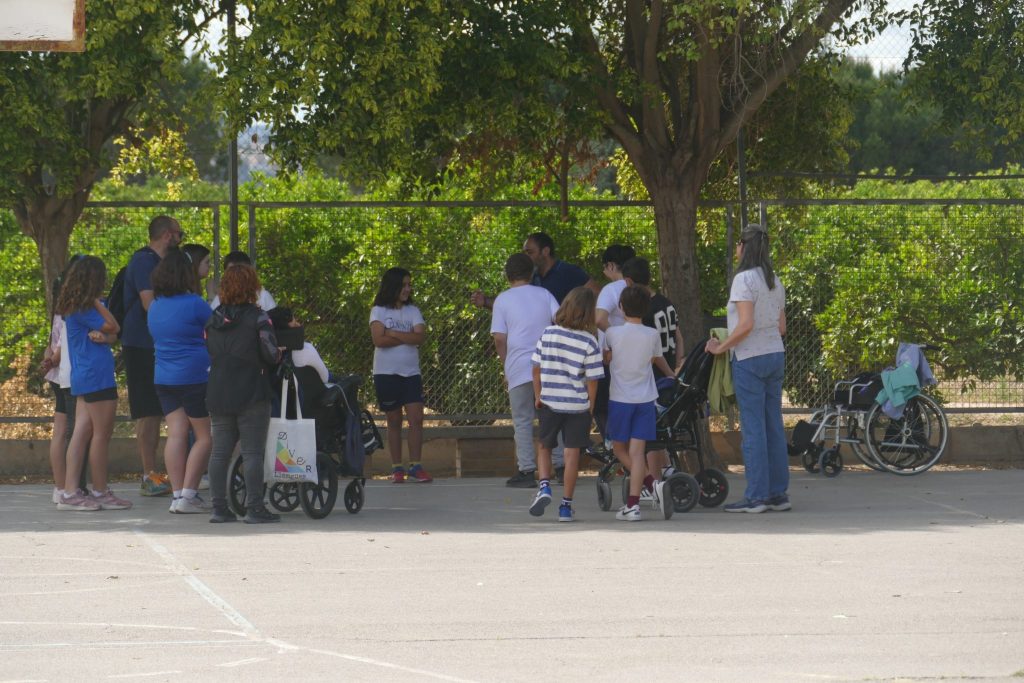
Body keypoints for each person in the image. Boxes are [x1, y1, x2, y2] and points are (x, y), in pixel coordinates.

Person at [705, 224, 789, 513]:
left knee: (753, 430)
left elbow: (745, 324)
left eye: (739, 243)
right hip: (775, 354)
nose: (737, 248)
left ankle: (756, 496)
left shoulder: (743, 279)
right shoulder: (775, 280)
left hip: (750, 357)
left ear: (744, 246)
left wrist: (721, 347)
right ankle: (778, 494)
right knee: (773, 425)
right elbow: (781, 327)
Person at [206, 264, 283, 523]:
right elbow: (270, 354)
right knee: (252, 453)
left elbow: (209, 349)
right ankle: (254, 507)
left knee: (220, 452)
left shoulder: (213, 319)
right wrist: (279, 353)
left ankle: (219, 508)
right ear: (253, 287)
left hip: (219, 388)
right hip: (252, 389)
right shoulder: (259, 318)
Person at [54, 256, 132, 511]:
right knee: (101, 435)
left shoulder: (77, 306)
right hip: (96, 377)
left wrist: (106, 336)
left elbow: (110, 335)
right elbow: (115, 325)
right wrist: (98, 302)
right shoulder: (87, 307)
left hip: (85, 376)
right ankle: (99, 490)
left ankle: (70, 491)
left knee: (82, 432)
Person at [528, 286, 604, 522]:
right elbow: (593, 379)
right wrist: (591, 405)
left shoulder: (548, 333)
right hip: (577, 406)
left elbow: (536, 369)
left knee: (545, 447)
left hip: (549, 401)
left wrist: (538, 395)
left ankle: (544, 486)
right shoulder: (590, 341)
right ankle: (565, 507)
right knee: (571, 455)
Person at [148, 250, 214, 514]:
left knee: (176, 433)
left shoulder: (155, 305)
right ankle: (189, 494)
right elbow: (217, 327)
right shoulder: (195, 303)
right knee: (204, 436)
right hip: (194, 376)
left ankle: (177, 495)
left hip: (164, 377)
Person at [604, 285, 675, 522]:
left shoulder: (612, 333)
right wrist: (670, 374)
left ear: (621, 307)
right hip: (645, 400)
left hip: (620, 400)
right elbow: (655, 359)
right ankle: (635, 502)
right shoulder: (652, 335)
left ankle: (651, 485)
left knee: (619, 449)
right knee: (637, 453)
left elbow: (606, 358)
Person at [123, 215, 182, 497]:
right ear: (168, 235)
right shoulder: (143, 261)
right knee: (148, 412)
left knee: (158, 411)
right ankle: (148, 474)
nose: (181, 238)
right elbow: (150, 305)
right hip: (141, 346)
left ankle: (158, 473)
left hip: (159, 345)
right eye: (179, 233)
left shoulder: (163, 263)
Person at [490, 253, 560, 488]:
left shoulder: (502, 300)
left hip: (519, 367)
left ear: (507, 275)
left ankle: (527, 470)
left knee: (522, 420)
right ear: (532, 273)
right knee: (553, 417)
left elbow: (500, 338)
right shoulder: (545, 294)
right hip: (548, 366)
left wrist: (506, 363)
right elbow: (561, 321)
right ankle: (560, 466)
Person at [622, 256, 685, 482]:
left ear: (628, 281)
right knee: (657, 426)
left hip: (655, 375)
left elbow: (652, 353)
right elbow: (678, 336)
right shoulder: (666, 303)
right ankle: (665, 469)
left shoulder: (643, 309)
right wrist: (678, 363)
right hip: (668, 368)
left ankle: (655, 480)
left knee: (649, 432)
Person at [370, 267, 433, 483]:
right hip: (386, 373)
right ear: (393, 286)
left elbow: (420, 337)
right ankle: (397, 468)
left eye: (409, 285)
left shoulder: (413, 310)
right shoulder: (378, 310)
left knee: (416, 418)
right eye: (404, 285)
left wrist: (393, 333)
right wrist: (407, 336)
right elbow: (379, 340)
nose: (408, 289)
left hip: (411, 373)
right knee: (394, 420)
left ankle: (416, 466)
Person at [471, 231, 598, 309]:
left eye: (530, 252)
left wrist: (579, 317)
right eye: (525, 253)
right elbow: (512, 305)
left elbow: (597, 293)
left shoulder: (568, 271)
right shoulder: (528, 277)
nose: (526, 257)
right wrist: (485, 301)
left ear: (545, 251)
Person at [209, 251, 276, 310]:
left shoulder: (263, 296)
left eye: (241, 272)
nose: (236, 277)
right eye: (231, 272)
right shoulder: (220, 299)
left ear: (249, 272)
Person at [595, 244, 636, 331]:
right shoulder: (639, 286)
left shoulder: (610, 289)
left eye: (604, 267)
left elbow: (599, 320)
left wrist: (614, 336)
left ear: (611, 266)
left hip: (615, 339)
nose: (604, 271)